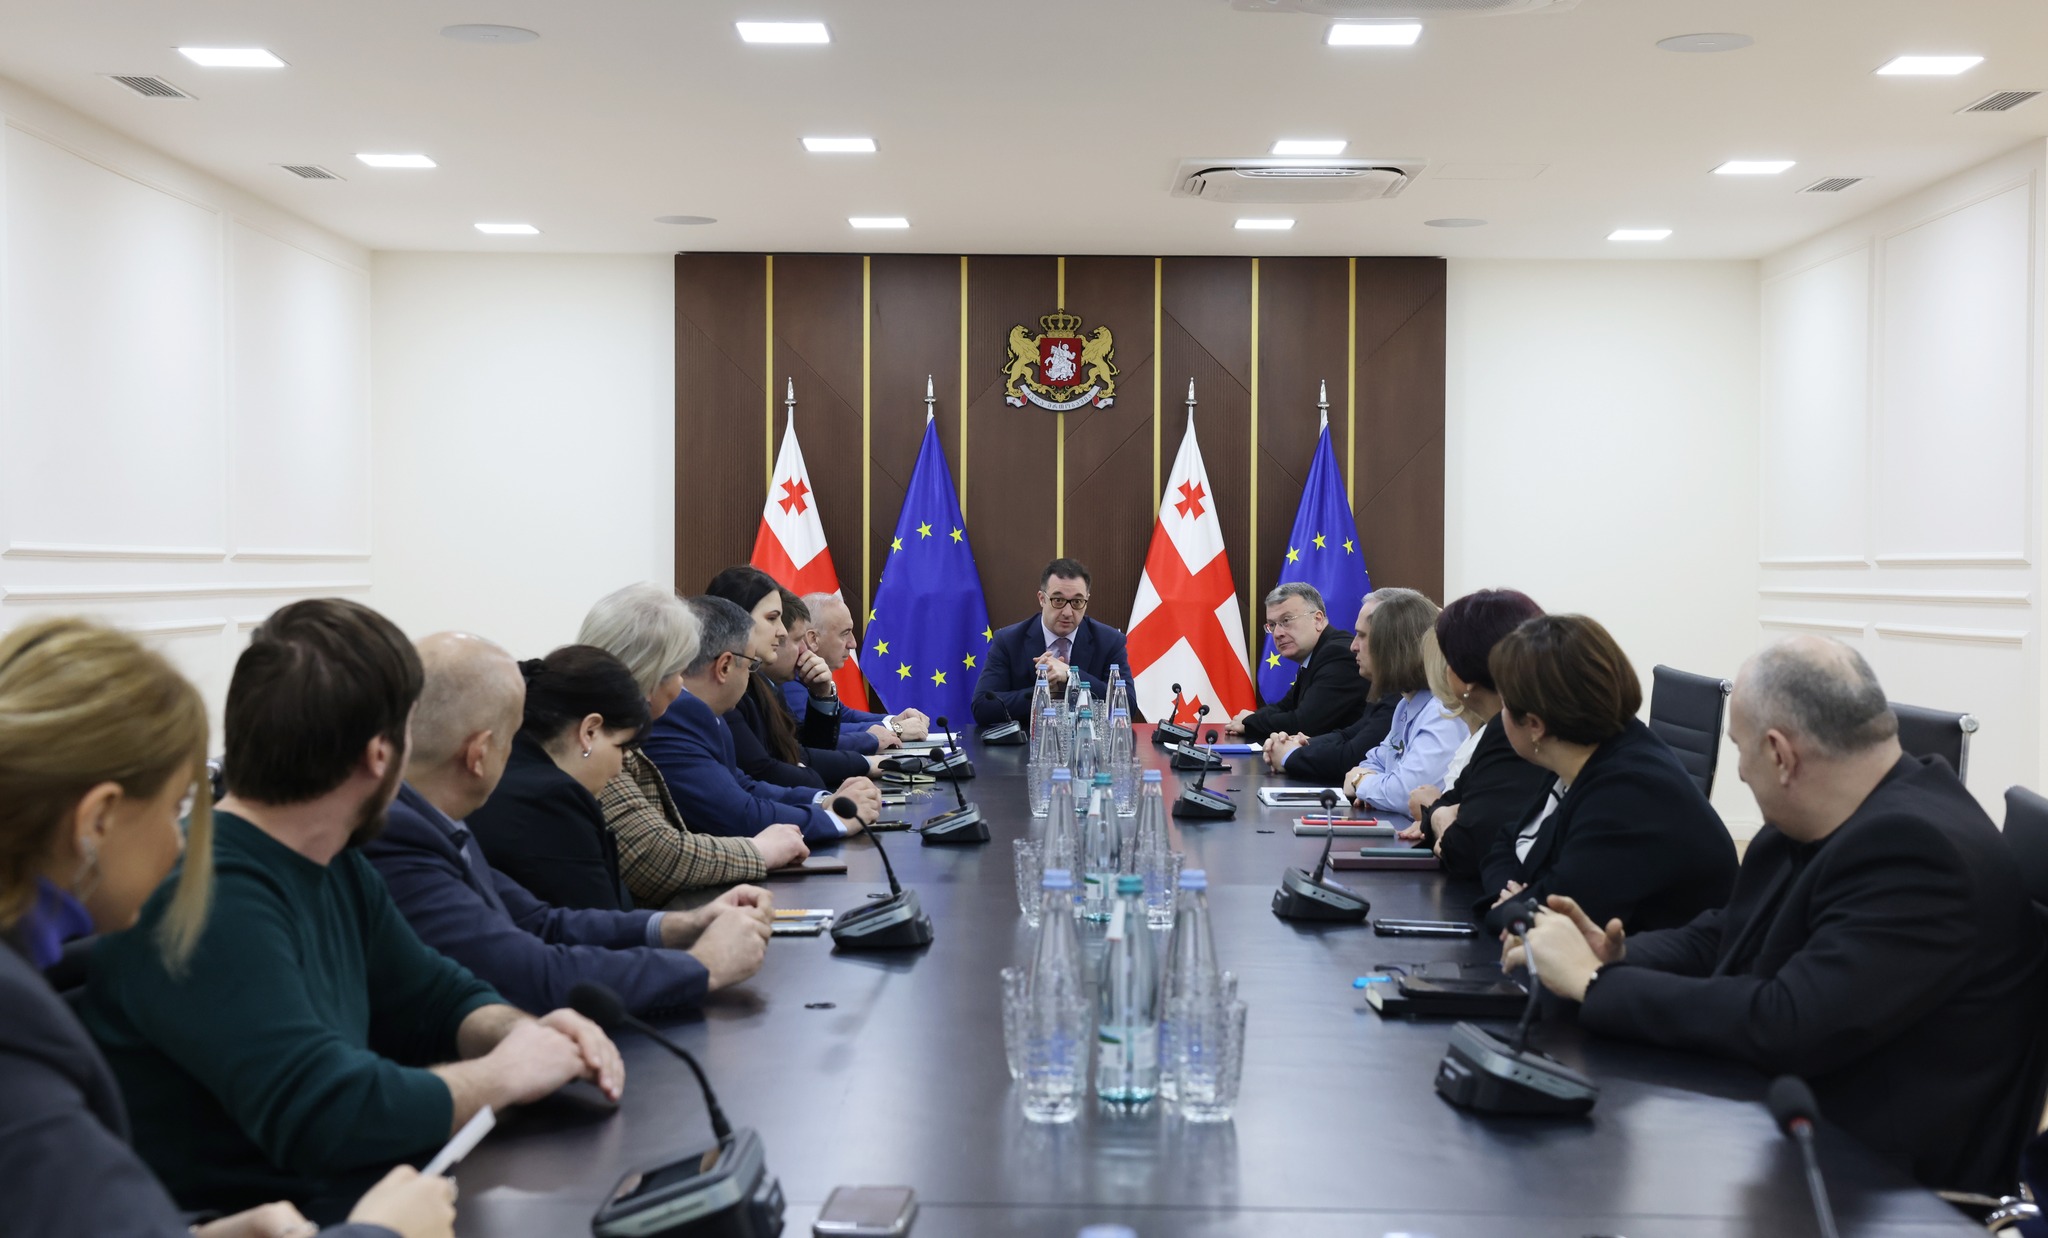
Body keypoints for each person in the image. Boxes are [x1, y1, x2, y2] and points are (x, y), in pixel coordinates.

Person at [81, 599, 624, 1223]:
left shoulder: (332, 858)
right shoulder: (209, 894)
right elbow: (328, 1112)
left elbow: (433, 995)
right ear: (381, 756)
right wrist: (505, 1075)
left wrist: (519, 1032)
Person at [1512, 635, 2048, 1194]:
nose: (1742, 772)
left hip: (1869, 1184)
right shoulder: (1829, 816)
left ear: (1779, 754)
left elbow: (1789, 1021)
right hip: (1785, 1124)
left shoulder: (1919, 853)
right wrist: (1611, 957)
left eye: (1739, 749)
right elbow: (1726, 934)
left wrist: (1595, 984)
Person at [0, 617, 455, 1238]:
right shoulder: (12, 1019)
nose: (180, 840)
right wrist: (384, 1233)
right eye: (174, 809)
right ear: (96, 820)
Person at [366, 632, 775, 1017]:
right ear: (479, 755)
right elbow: (532, 973)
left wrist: (684, 925)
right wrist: (703, 965)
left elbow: (541, 922)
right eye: (511, 740)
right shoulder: (399, 836)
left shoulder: (434, 818)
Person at [1477, 614, 1737, 934]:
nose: (1500, 715)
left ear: (1534, 725)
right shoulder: (1576, 750)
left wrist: (1511, 909)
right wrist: (1512, 898)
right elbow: (1507, 842)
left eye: (1504, 704)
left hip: (1669, 961)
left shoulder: (1626, 794)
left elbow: (1556, 917)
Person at [578, 584, 808, 903]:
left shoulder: (611, 730)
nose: (682, 685)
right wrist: (760, 850)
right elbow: (656, 856)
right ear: (648, 673)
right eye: (679, 670)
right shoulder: (593, 740)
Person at [644, 596, 879, 843]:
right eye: (750, 666)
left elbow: (744, 786)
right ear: (724, 667)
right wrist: (835, 820)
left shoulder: (706, 714)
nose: (751, 677)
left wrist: (823, 801)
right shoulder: (677, 716)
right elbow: (737, 814)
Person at [464, 645, 649, 912]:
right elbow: (599, 923)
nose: (618, 769)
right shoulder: (553, 799)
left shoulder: (506, 766)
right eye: (621, 747)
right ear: (590, 731)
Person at [1393, 589, 1551, 879]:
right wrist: (1442, 814)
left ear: (1463, 675)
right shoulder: (1498, 729)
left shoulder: (1512, 734)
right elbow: (1449, 804)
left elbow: (1463, 849)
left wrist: (1437, 816)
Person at [705, 570, 875, 790]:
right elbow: (764, 771)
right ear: (737, 618)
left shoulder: (764, 685)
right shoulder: (728, 689)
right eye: (771, 618)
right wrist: (824, 789)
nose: (782, 631)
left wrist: (822, 695)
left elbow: (801, 749)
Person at [1332, 589, 1467, 826]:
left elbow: (1405, 793)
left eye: (1362, 636)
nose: (1353, 646)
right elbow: (1373, 762)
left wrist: (1361, 783)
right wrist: (1370, 783)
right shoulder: (1406, 705)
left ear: (1393, 647)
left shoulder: (1442, 710)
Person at [1260, 590, 1398, 783]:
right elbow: (1349, 735)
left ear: (1393, 640)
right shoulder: (1392, 691)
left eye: (1362, 635)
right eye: (1273, 625)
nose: (1353, 646)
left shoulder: (1402, 696)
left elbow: (1352, 756)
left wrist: (1289, 755)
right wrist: (1301, 744)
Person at [972, 558, 1130, 726]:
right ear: (1042, 599)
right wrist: (1044, 693)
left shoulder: (1110, 641)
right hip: (1027, 741)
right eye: (1058, 600)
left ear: (1086, 601)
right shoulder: (1009, 641)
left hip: (1088, 740)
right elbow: (982, 707)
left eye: (1077, 602)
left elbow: (1127, 705)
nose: (1067, 612)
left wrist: (1071, 675)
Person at [1225, 583, 1367, 742]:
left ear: (1317, 620)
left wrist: (1249, 722)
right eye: (1272, 625)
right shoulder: (1316, 654)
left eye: (1286, 620)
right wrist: (1250, 719)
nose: (1277, 633)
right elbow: (1284, 707)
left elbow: (1305, 723)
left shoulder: (1338, 654)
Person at [795, 590, 928, 751]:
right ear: (813, 639)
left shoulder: (807, 674)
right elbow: (814, 733)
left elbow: (843, 716)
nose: (853, 644)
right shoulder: (789, 677)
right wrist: (896, 730)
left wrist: (893, 720)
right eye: (845, 634)